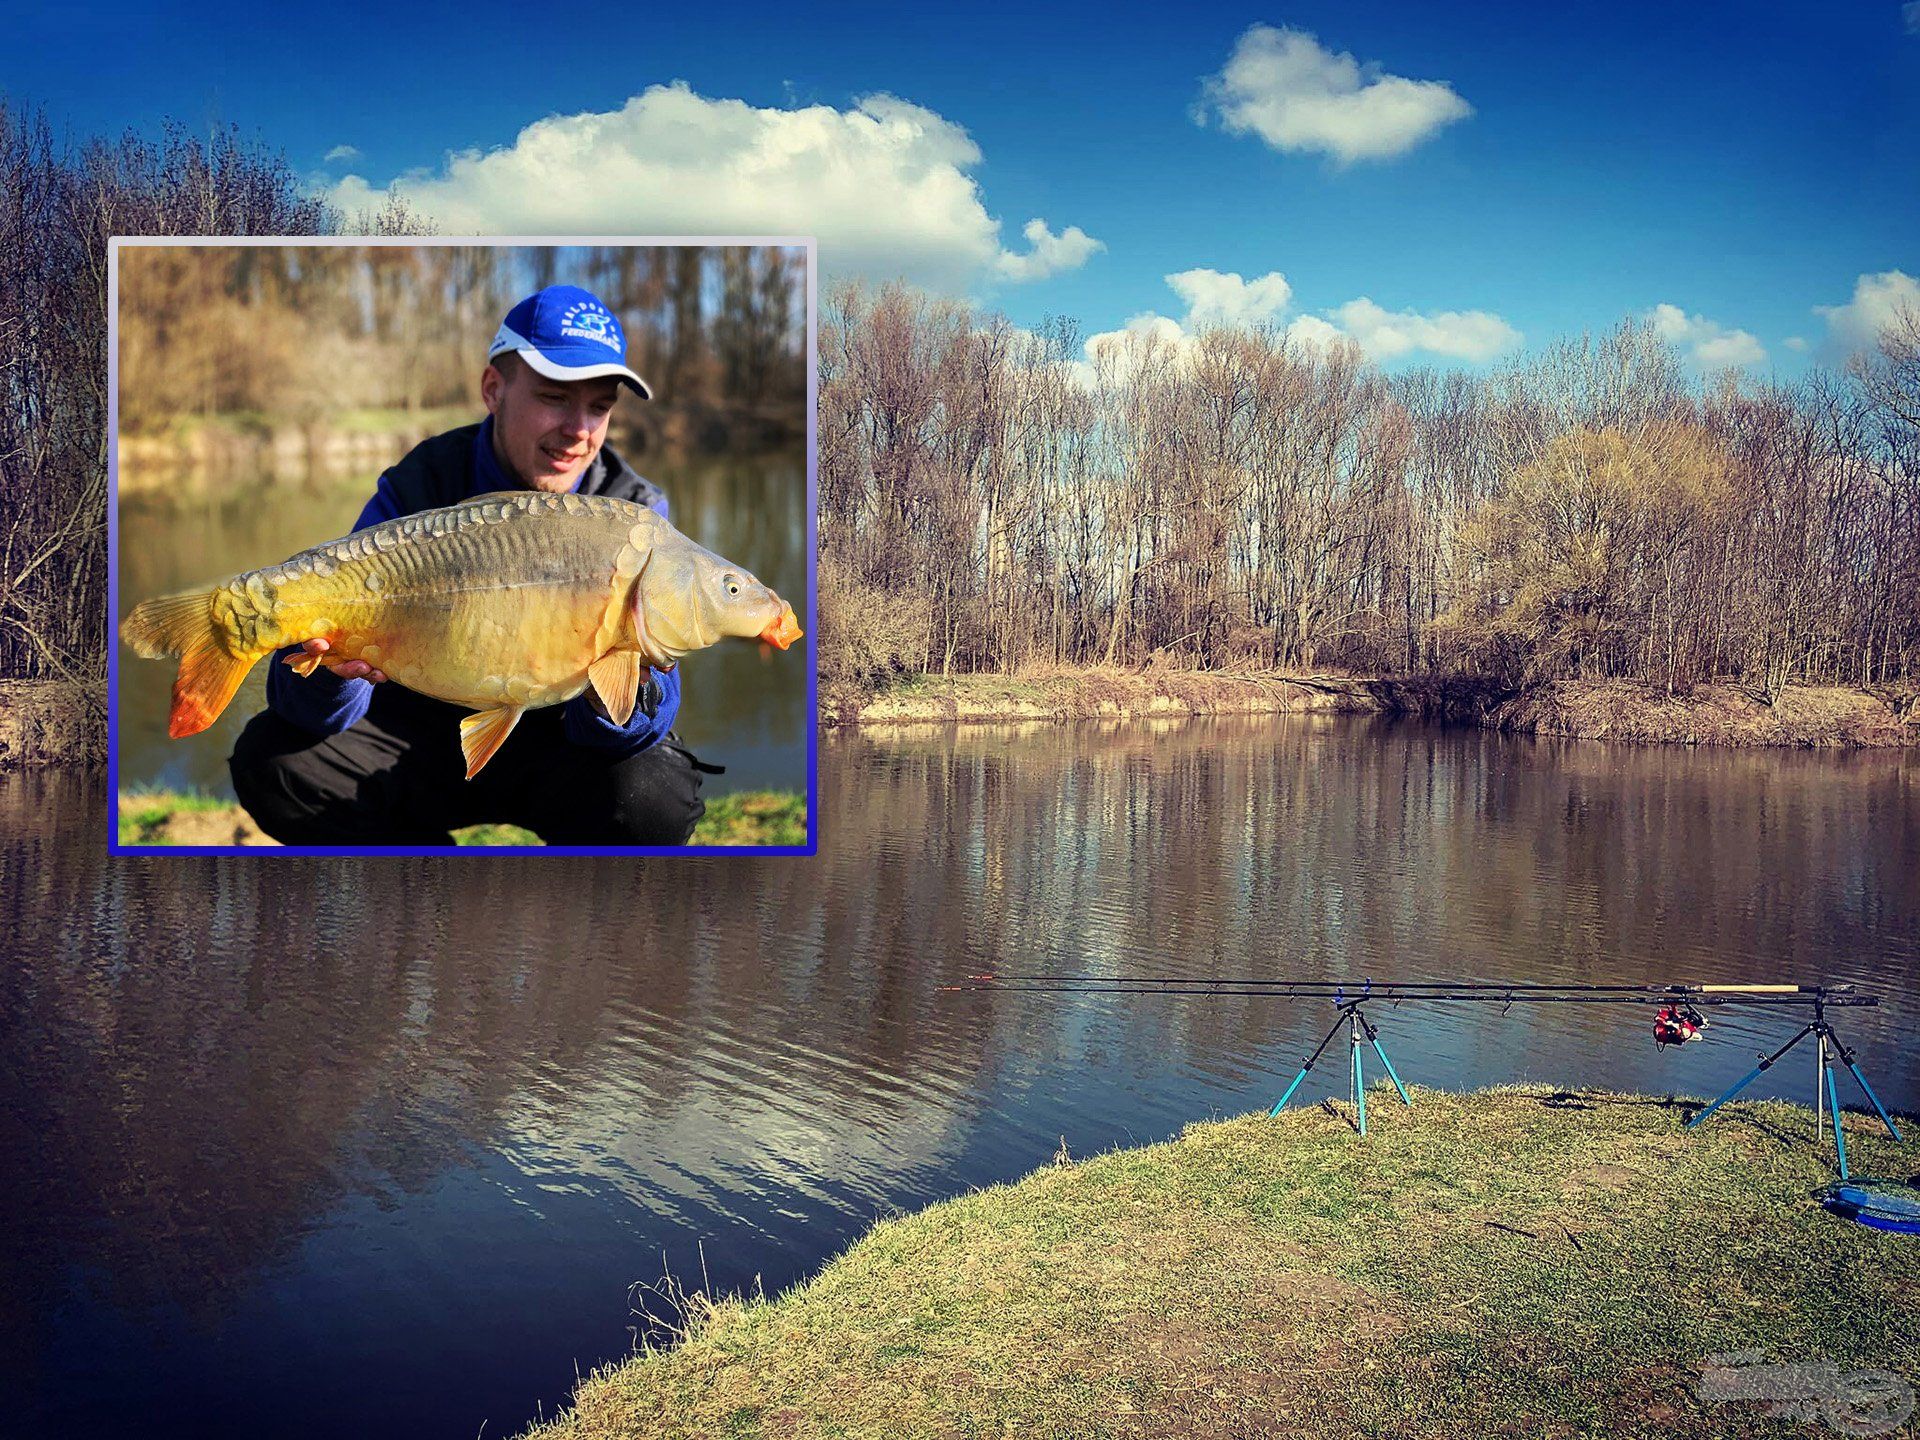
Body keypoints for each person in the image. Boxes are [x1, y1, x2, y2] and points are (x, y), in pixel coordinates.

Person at [229, 284, 712, 846]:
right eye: (555, 397)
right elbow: (309, 711)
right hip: (414, 733)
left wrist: (622, 693)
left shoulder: (635, 515)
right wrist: (332, 676)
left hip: (560, 740)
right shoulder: (419, 486)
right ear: (493, 389)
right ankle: (430, 881)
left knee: (656, 796)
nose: (579, 430)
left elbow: (648, 716)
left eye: (599, 406)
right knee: (274, 762)